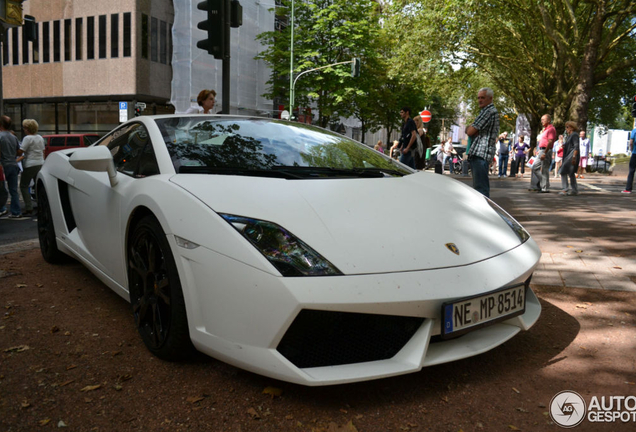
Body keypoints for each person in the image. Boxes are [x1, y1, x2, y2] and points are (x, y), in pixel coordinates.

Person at [465, 88, 499, 197]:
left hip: (480, 153)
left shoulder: (488, 111)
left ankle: (484, 213)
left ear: (490, 98)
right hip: (482, 154)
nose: (480, 100)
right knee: (481, 187)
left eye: (482, 97)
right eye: (478, 98)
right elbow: (472, 130)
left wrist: (472, 128)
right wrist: (473, 128)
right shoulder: (489, 111)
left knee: (480, 190)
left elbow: (470, 131)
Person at [16, 119, 45, 216]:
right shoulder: (40, 137)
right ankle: (41, 206)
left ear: (27, 128)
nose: (23, 129)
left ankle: (29, 207)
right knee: (37, 186)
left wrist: (14, 151)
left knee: (23, 186)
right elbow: (43, 151)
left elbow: (21, 151)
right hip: (40, 163)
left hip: (30, 164)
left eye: (24, 127)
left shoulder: (27, 138)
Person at [0, 115, 23, 217]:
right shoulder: (13, 137)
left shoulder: (0, 136)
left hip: (3, 165)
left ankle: (2, 208)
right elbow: (19, 152)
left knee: (1, 189)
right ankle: (16, 212)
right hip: (13, 164)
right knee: (13, 190)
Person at [529, 114, 556, 193]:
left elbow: (550, 142)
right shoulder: (545, 129)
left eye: (543, 119)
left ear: (549, 120)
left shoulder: (551, 129)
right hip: (541, 150)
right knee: (534, 167)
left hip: (546, 151)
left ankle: (545, 188)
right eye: (541, 119)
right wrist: (539, 150)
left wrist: (545, 152)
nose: (541, 121)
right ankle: (544, 183)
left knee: (544, 169)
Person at [559, 121, 580, 196]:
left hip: (571, 156)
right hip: (568, 155)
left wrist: (574, 157)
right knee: (571, 173)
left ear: (572, 127)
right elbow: (570, 145)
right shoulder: (569, 135)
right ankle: (574, 190)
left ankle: (565, 189)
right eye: (566, 127)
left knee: (563, 171)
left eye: (567, 127)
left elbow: (576, 147)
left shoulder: (574, 135)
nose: (566, 129)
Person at [621, 125, 636, 194]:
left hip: (635, 153)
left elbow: (631, 142)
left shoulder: (634, 131)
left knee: (631, 171)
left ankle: (628, 189)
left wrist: (631, 149)